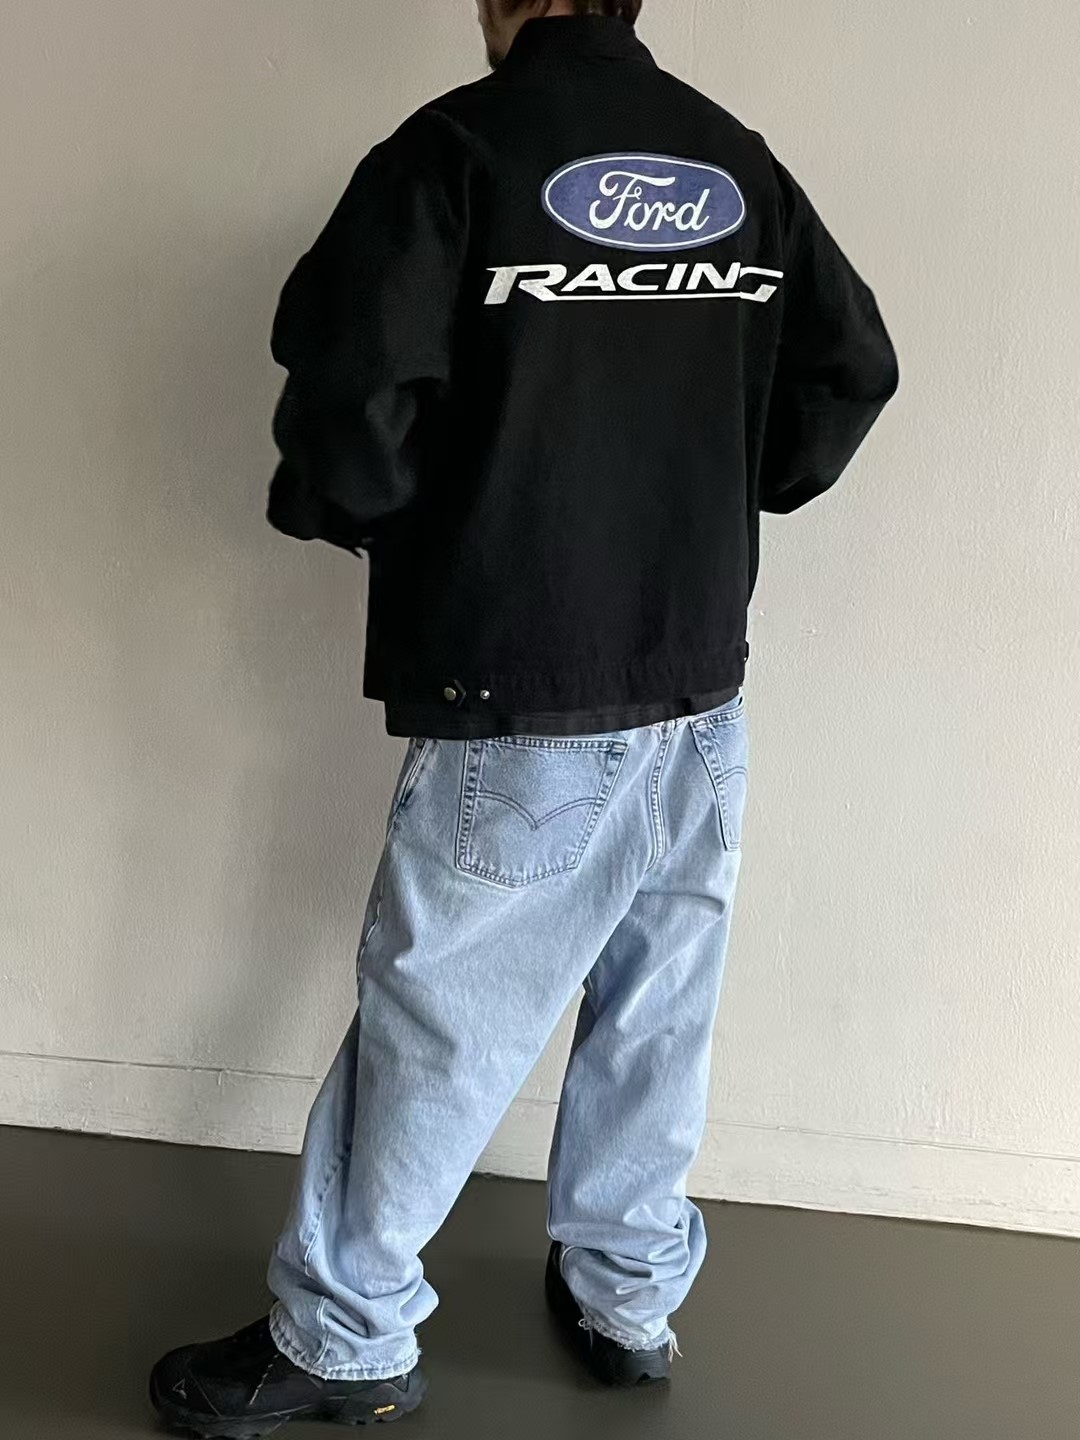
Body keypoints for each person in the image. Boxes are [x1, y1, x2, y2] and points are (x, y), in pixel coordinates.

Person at [150, 0, 899, 1433]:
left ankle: (344, 1336)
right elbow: (850, 368)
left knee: (438, 1018)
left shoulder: (456, 152)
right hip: (697, 676)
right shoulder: (735, 162)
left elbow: (351, 384)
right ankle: (627, 1293)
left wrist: (368, 513)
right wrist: (711, 494)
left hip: (526, 675)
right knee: (658, 1000)